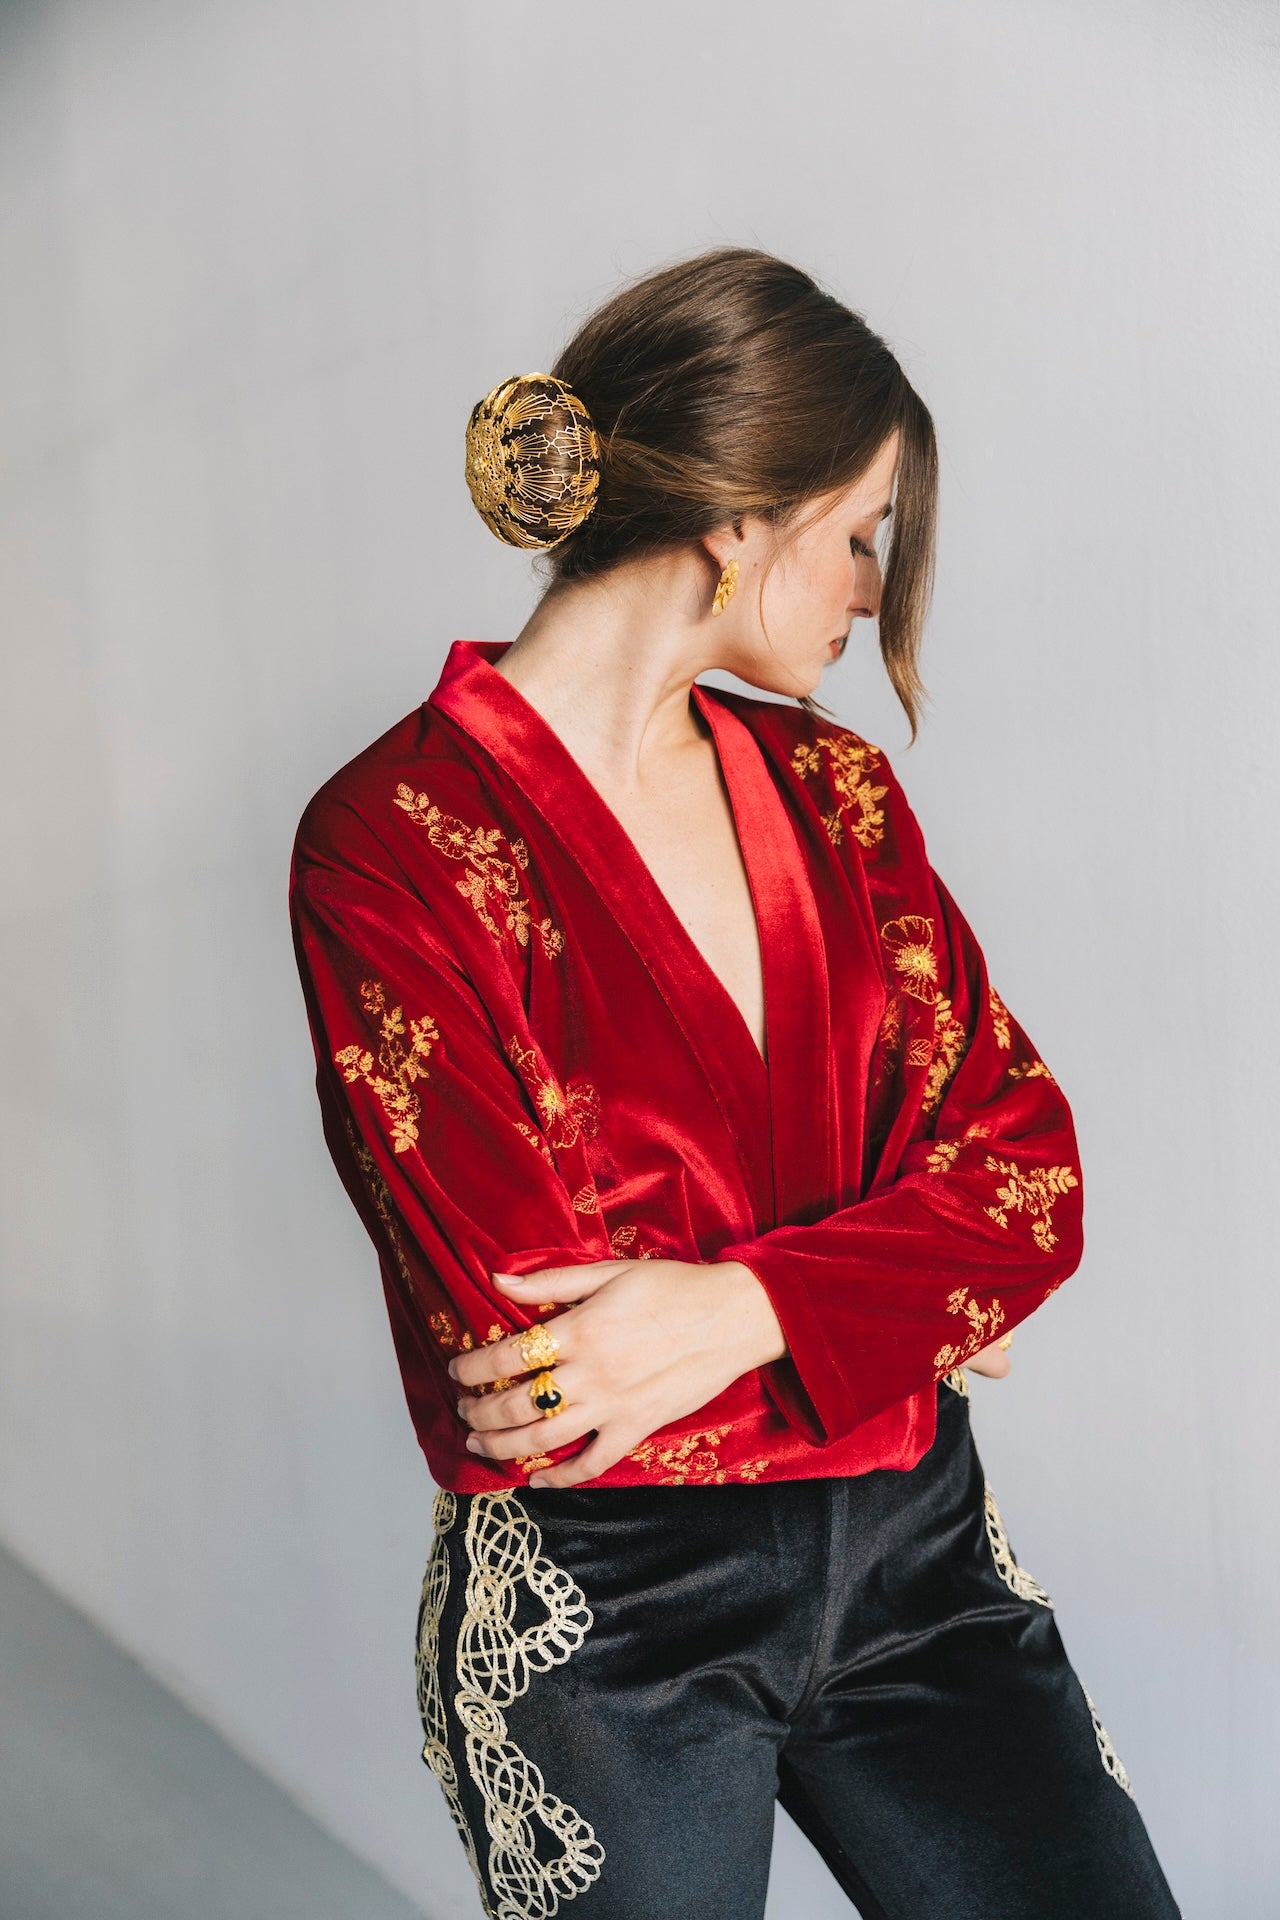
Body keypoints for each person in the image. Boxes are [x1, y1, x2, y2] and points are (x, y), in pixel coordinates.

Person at [289, 248, 1180, 1919]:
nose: (867, 592)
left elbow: (1030, 1186)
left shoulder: (842, 798)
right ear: (740, 516)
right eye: (860, 536)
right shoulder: (395, 842)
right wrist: (897, 1301)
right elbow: (537, 1362)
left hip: (923, 1561)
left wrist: (738, 1308)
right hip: (607, 1616)